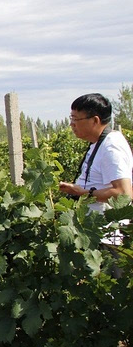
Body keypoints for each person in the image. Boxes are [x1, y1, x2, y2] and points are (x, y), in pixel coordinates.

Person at [59, 93, 133, 245]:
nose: (71, 124)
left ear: (95, 120)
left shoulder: (111, 147)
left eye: (75, 119)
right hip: (94, 235)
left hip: (108, 239)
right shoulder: (98, 143)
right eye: (71, 118)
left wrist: (82, 193)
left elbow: (124, 194)